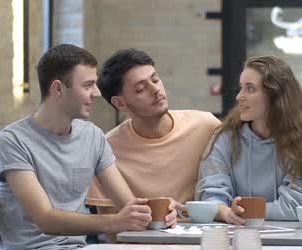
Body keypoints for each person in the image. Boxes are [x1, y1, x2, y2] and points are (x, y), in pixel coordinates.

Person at [0, 44, 159, 250]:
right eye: (88, 85)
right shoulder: (12, 140)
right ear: (58, 88)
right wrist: (114, 222)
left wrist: (155, 212)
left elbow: (127, 205)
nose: (96, 93)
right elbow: (45, 219)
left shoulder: (92, 136)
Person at [196, 55, 302, 223]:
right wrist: (224, 212)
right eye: (241, 88)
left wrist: (243, 212)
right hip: (236, 238)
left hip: (291, 243)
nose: (239, 96)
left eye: (250, 89)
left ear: (275, 96)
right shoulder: (225, 138)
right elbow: (211, 195)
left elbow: (297, 207)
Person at [86, 48, 220, 218]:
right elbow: (111, 229)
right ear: (120, 103)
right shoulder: (105, 149)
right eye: (141, 89)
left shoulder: (207, 126)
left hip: (202, 238)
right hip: (142, 241)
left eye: (155, 80)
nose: (155, 90)